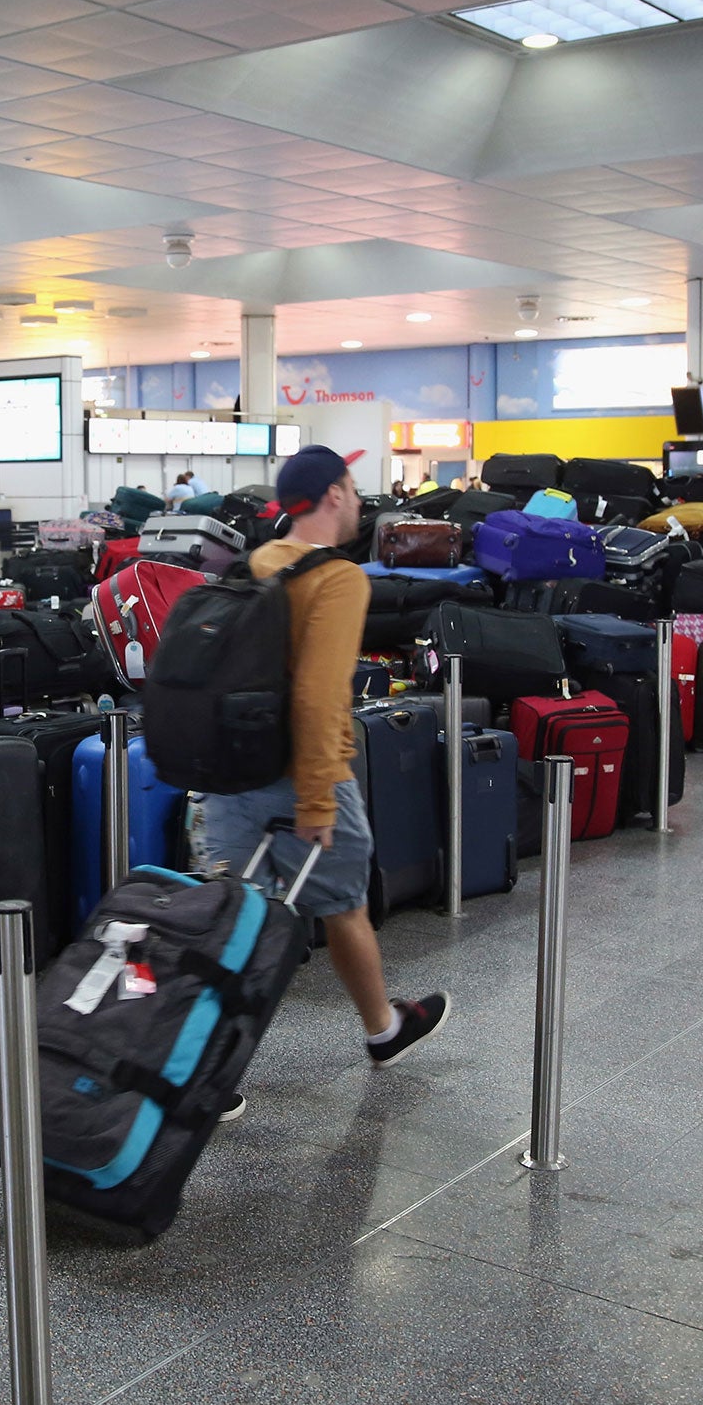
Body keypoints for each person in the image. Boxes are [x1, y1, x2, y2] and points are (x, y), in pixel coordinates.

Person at [201, 444, 450, 1119]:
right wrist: (315, 798)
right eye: (351, 485)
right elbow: (317, 696)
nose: (359, 499)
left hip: (233, 769)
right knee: (342, 905)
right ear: (335, 494)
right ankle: (383, 1031)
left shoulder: (257, 563)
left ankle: (205, 1071)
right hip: (305, 774)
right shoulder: (338, 580)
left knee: (234, 920)